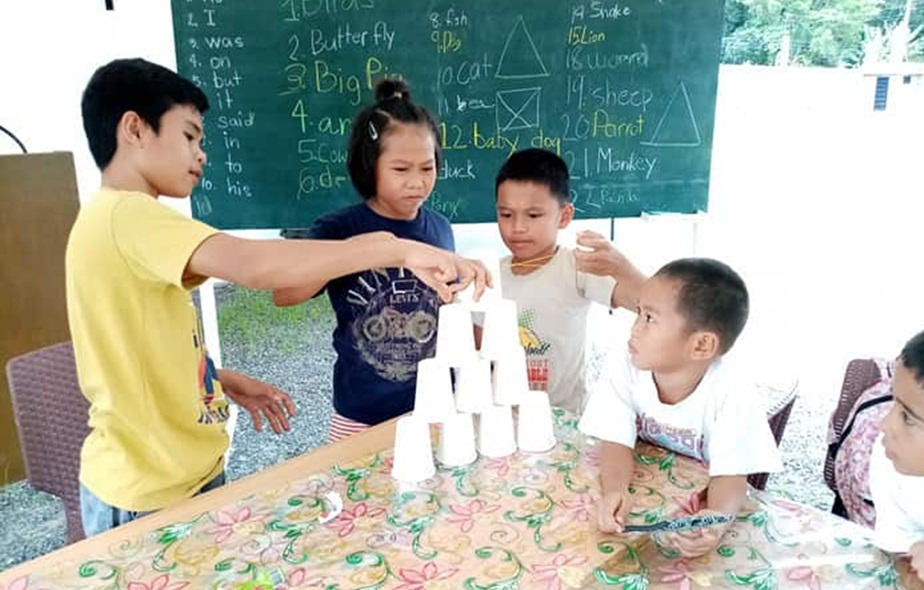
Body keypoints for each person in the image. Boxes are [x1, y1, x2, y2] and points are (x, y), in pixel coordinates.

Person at [69, 58, 484, 535]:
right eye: (189, 136)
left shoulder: (126, 224)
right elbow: (256, 268)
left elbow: (137, 349)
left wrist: (216, 378)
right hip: (146, 489)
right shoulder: (128, 216)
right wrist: (396, 248)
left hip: (178, 475)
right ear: (134, 129)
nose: (201, 154)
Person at [273, 78, 489, 442]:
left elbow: (448, 312)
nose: (417, 183)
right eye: (401, 170)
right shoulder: (339, 228)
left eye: (427, 167)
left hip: (435, 407)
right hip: (362, 413)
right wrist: (361, 252)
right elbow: (285, 293)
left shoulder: (439, 228)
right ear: (369, 166)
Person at [578, 258, 781, 557]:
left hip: (696, 500)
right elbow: (616, 439)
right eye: (638, 313)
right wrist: (615, 491)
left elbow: (732, 475)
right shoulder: (626, 363)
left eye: (649, 318)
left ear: (701, 345)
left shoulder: (731, 392)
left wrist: (715, 520)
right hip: (654, 492)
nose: (634, 329)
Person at [493, 148, 644, 413]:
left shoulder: (577, 267)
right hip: (503, 417)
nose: (517, 227)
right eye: (506, 214)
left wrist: (624, 269)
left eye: (533, 215)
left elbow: (650, 303)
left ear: (564, 216)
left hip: (563, 419)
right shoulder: (492, 275)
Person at [870, 319, 924, 590]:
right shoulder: (893, 467)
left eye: (908, 418)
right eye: (892, 402)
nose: (884, 424)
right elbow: (907, 566)